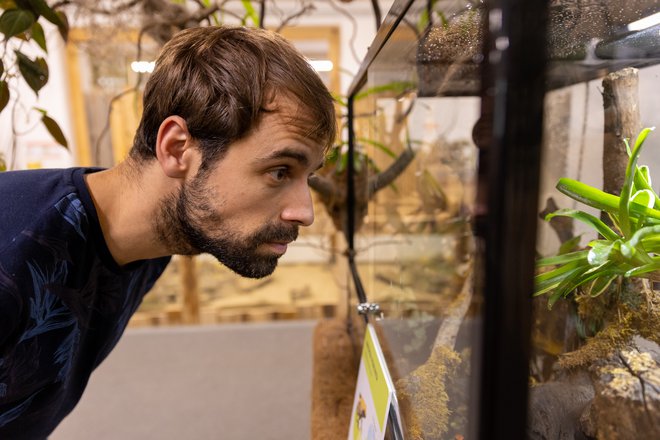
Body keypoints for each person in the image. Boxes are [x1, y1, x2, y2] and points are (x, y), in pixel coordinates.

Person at [0, 25, 336, 439]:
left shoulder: (154, 244)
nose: (305, 212)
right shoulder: (14, 249)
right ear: (177, 148)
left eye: (308, 176)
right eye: (279, 170)